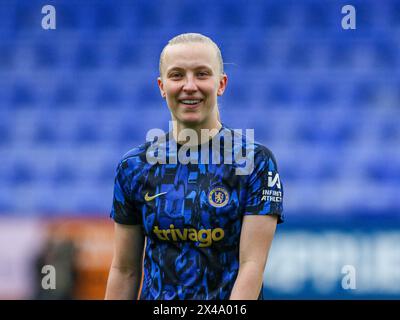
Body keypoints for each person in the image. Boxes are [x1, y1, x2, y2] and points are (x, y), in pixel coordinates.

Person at [105, 33, 284, 300]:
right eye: (177, 75)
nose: (190, 86)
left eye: (202, 74)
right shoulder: (134, 167)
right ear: (161, 86)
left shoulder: (255, 162)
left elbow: (252, 267)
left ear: (221, 84)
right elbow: (124, 269)